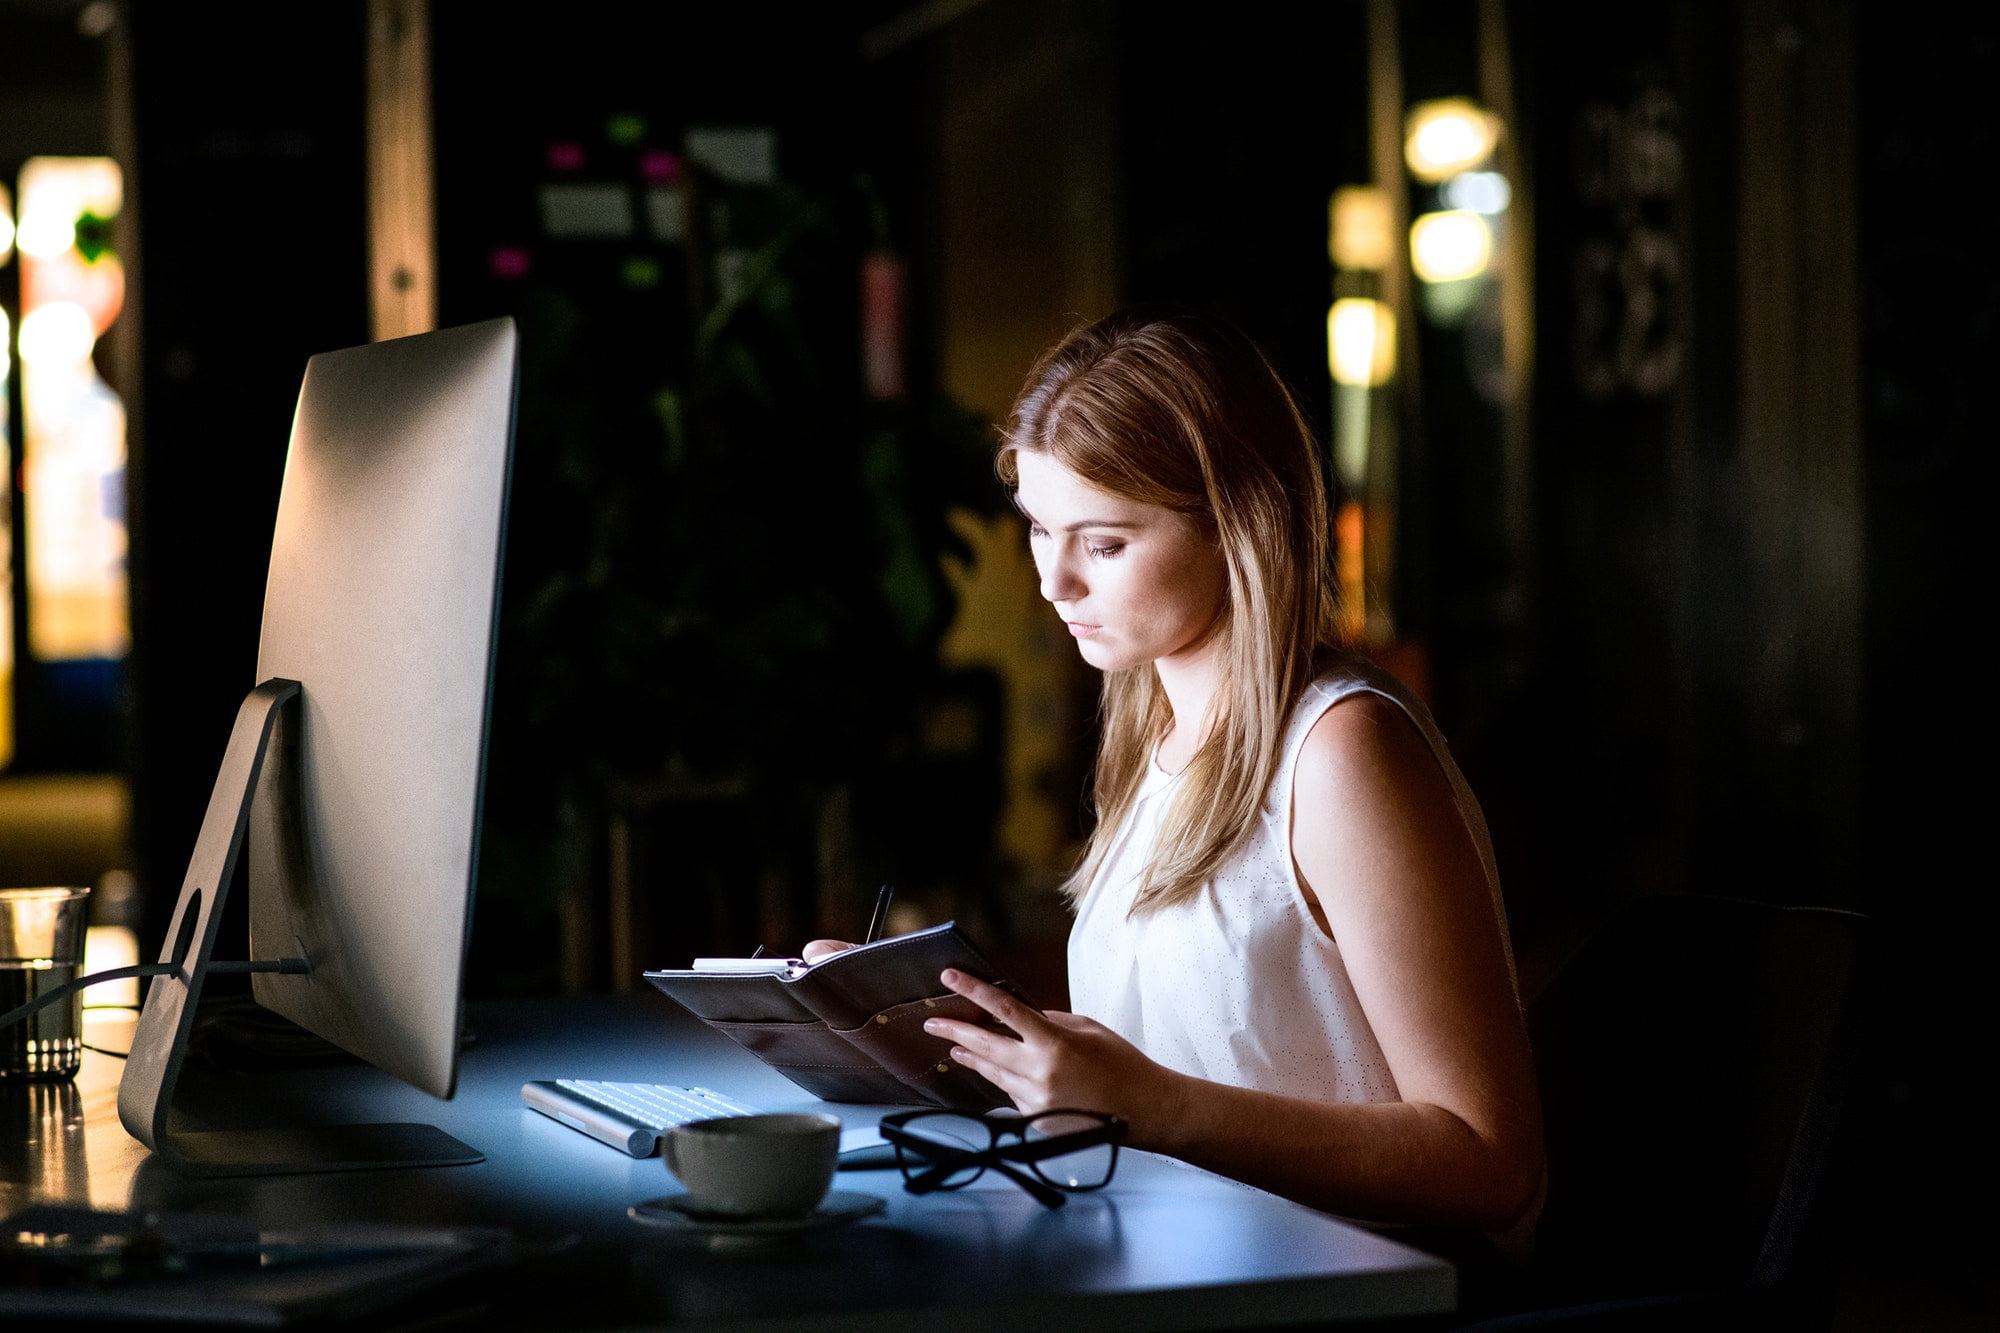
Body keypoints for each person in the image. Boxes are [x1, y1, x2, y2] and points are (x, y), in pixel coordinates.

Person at [806, 307, 1543, 1263]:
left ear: (1239, 523)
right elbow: (1173, 1057)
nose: (1054, 582)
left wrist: (1151, 1104)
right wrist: (937, 1026)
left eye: (1104, 544)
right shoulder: (1158, 731)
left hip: (1350, 1309)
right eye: (1038, 528)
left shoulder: (1344, 751)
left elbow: (1491, 1162)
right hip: (1184, 1268)